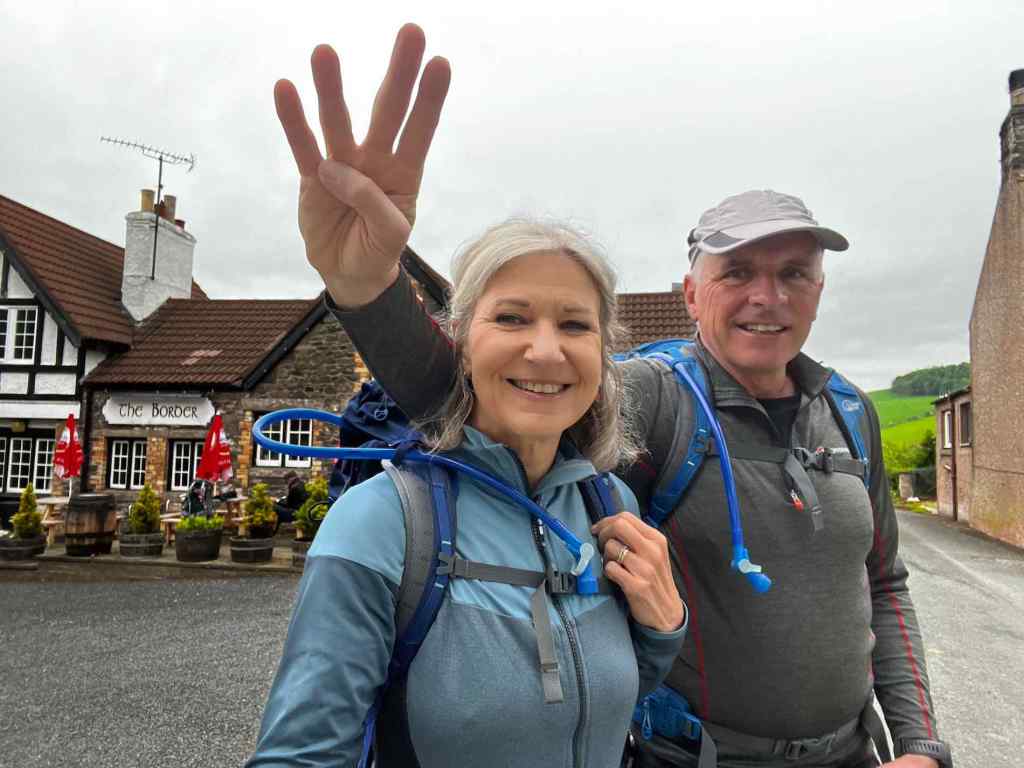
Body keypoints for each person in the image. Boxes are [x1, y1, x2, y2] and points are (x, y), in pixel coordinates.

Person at [286, 24, 951, 768]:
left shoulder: (850, 414)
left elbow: (884, 582)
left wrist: (920, 743)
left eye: (794, 273)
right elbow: (500, 401)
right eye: (738, 273)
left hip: (855, 754)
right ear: (691, 294)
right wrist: (368, 290)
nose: (768, 296)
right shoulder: (656, 397)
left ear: (819, 291)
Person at [249, 36, 687, 767]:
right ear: (463, 341)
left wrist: (662, 628)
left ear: (603, 352)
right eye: (511, 318)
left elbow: (598, 705)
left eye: (574, 325)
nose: (544, 350)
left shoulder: (611, 504)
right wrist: (363, 283)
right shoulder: (385, 522)